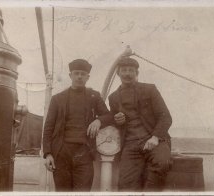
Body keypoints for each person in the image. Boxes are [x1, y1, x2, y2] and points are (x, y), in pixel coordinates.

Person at [42, 59, 112, 191]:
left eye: (83, 74)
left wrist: (98, 121)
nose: (79, 76)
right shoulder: (57, 99)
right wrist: (47, 154)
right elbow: (48, 128)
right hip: (61, 152)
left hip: (84, 152)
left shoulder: (94, 96)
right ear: (70, 76)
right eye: (76, 73)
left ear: (87, 77)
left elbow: (109, 116)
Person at [108, 57, 172, 191]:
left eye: (131, 70)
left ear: (137, 73)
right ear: (119, 73)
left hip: (154, 140)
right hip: (130, 145)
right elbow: (115, 121)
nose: (127, 73)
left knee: (162, 163)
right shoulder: (113, 98)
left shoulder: (149, 89)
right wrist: (118, 120)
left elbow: (165, 117)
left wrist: (155, 137)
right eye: (123, 70)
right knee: (125, 184)